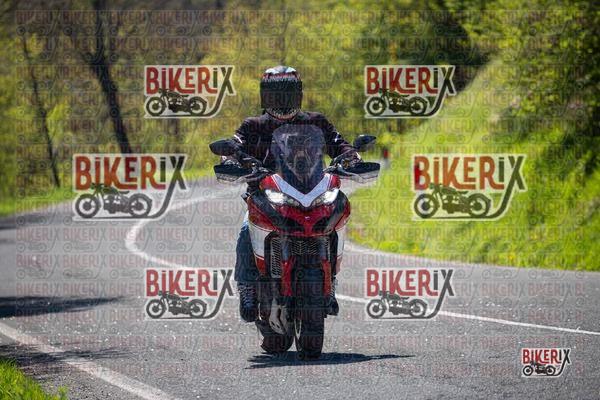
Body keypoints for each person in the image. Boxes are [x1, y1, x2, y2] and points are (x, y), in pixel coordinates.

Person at [223, 66, 361, 322]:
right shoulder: (253, 125)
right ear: (265, 95)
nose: (282, 98)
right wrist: (230, 158)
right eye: (276, 92)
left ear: (298, 94)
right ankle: (247, 287)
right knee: (245, 233)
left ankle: (330, 281)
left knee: (334, 221)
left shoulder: (316, 121)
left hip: (312, 193)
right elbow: (235, 144)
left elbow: (338, 143)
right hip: (266, 196)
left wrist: (351, 156)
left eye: (287, 92)